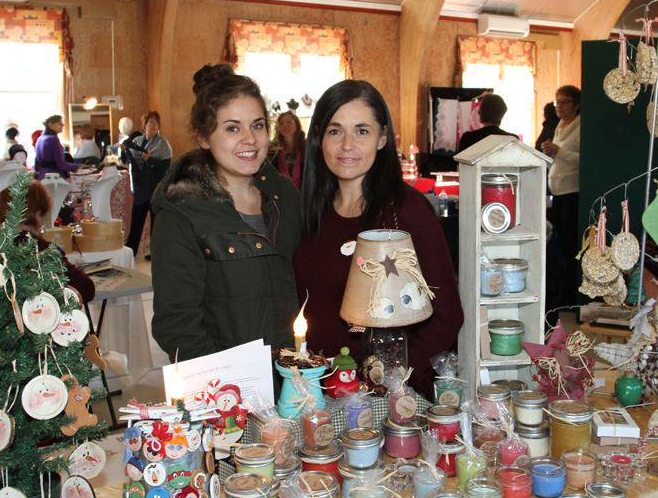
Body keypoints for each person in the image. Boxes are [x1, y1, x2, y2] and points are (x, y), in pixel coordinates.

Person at [293, 80, 463, 399]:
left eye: (362, 131)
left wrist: (385, 381)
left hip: (381, 400)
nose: (347, 145)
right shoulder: (309, 211)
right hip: (314, 393)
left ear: (382, 138)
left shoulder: (406, 212)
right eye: (334, 131)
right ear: (318, 137)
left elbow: (446, 316)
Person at [149, 64, 301, 360]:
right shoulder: (182, 212)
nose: (250, 139)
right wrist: (230, 382)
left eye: (257, 125)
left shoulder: (284, 195)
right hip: (230, 383)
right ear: (204, 138)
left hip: (298, 375)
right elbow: (177, 325)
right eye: (233, 128)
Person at [541, 85, 581, 311]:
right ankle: (562, 291)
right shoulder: (559, 126)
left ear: (576, 105)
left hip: (572, 192)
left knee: (570, 245)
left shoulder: (580, 126)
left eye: (565, 101)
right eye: (558, 102)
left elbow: (583, 159)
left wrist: (559, 151)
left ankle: (571, 293)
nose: (560, 106)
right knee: (561, 244)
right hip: (557, 191)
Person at [122, 111, 173, 256]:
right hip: (140, 187)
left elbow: (166, 165)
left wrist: (149, 159)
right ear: (144, 125)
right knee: (137, 219)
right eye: (151, 122)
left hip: (155, 187)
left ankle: (156, 252)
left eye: (156, 123)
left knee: (156, 222)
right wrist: (124, 151)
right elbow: (126, 160)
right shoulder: (137, 141)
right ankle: (131, 250)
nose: (153, 126)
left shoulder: (162, 143)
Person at [34, 114, 78, 179]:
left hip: (42, 177)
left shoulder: (40, 138)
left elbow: (36, 165)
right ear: (50, 124)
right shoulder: (53, 139)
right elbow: (61, 165)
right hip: (55, 178)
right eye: (60, 123)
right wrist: (76, 166)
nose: (62, 125)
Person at [270, 111, 305, 191]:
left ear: (297, 125)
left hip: (304, 194)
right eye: (281, 124)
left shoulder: (306, 147)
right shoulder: (273, 151)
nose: (285, 125)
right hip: (281, 194)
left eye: (289, 122)